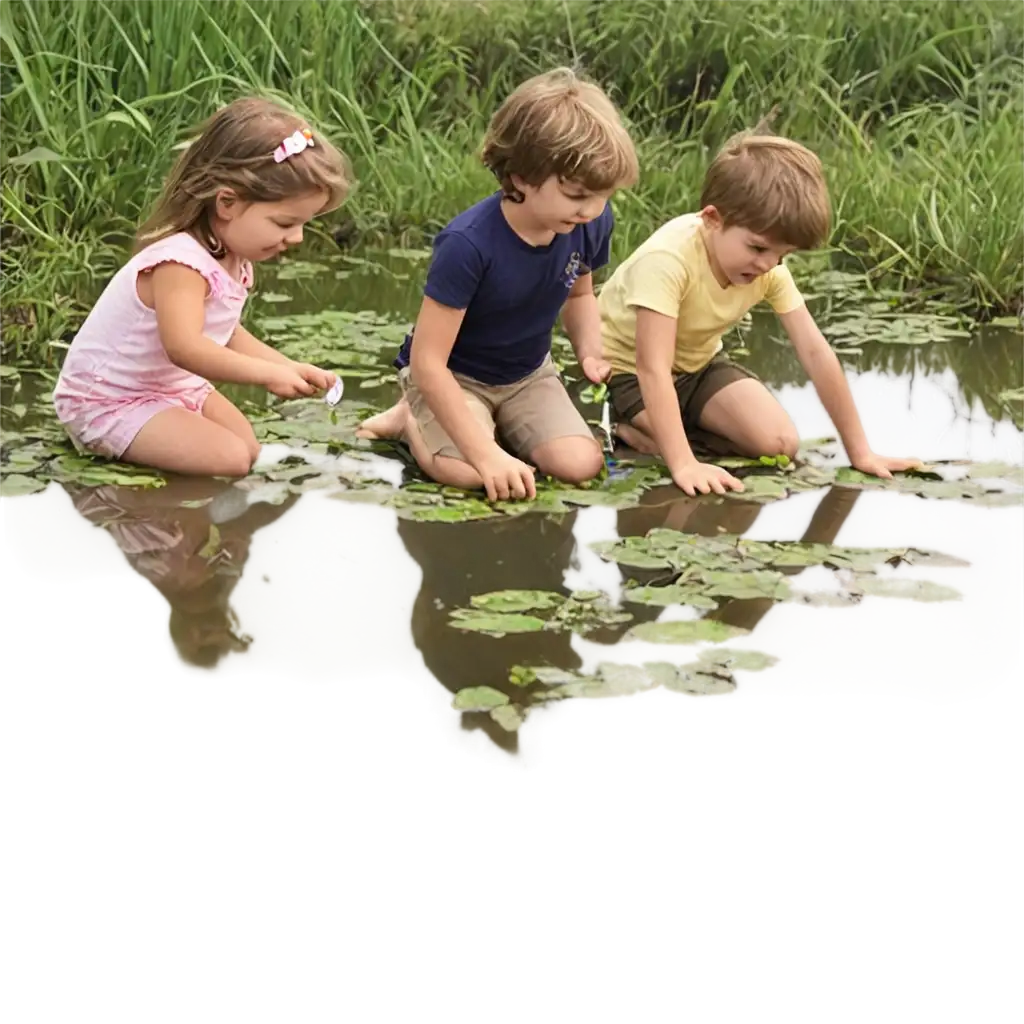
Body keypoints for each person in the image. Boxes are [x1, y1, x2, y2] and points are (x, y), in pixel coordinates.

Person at [357, 68, 640, 503]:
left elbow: (580, 294)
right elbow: (428, 362)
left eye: (602, 196)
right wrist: (487, 456)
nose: (592, 209)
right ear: (523, 176)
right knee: (470, 471)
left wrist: (589, 351)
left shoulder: (591, 222)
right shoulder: (468, 245)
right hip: (453, 377)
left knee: (579, 465)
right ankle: (410, 416)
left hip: (527, 374)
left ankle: (492, 423)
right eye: (577, 194)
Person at [597, 130, 923, 497]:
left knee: (780, 443)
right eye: (758, 248)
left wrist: (860, 451)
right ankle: (631, 428)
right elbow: (651, 367)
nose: (768, 264)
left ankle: (663, 436)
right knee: (677, 447)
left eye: (781, 256)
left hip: (698, 367)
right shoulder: (668, 260)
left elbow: (816, 354)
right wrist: (684, 464)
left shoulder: (767, 270)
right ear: (712, 219)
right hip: (628, 374)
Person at [53, 97, 352, 478]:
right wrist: (266, 376)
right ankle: (133, 507)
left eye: (303, 224)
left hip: (171, 388)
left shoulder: (232, 257)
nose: (296, 238)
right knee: (229, 459)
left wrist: (288, 366)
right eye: (284, 223)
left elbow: (225, 333)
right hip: (109, 398)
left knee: (248, 448)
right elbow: (185, 347)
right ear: (227, 202)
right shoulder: (181, 263)